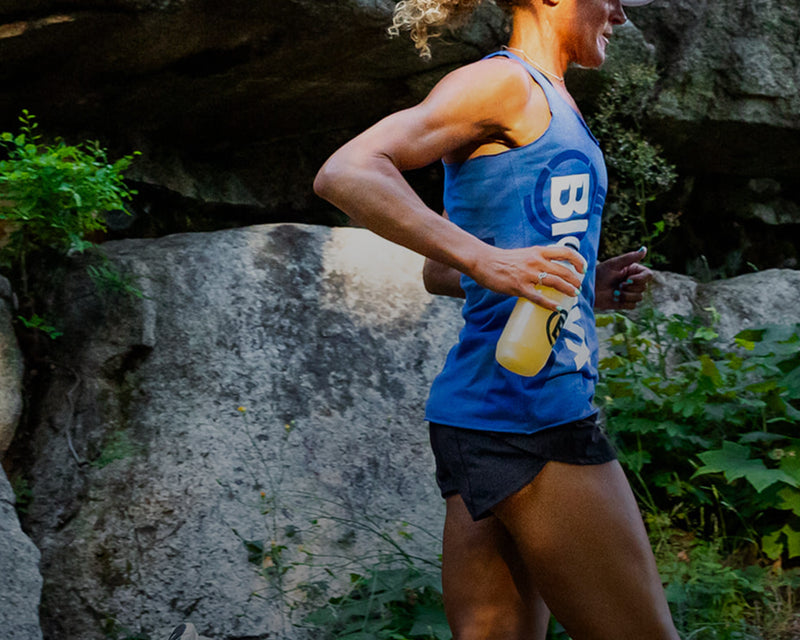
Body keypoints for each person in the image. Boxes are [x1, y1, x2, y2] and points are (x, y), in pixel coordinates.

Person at [314, 0, 680, 638]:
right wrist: (488, 261)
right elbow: (347, 171)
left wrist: (578, 288)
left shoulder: (552, 100)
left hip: (480, 417)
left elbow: (440, 271)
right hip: (533, 415)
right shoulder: (503, 84)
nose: (621, 12)